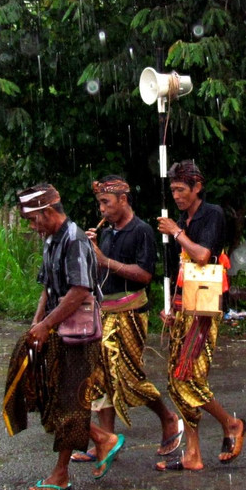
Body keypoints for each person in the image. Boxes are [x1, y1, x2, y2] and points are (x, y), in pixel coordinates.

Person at [13, 183, 124, 490]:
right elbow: (47, 287)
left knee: (70, 400)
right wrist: (37, 324)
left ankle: (61, 473)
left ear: (49, 212)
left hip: (78, 335)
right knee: (49, 397)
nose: (33, 227)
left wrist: (46, 324)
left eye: (34, 220)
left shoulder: (74, 239)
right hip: (55, 329)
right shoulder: (51, 239)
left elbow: (80, 290)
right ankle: (103, 439)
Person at [71, 175, 181, 462]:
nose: (102, 210)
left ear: (123, 200)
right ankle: (107, 441)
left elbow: (144, 275)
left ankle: (167, 417)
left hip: (130, 312)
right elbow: (100, 275)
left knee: (130, 377)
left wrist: (105, 260)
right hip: (104, 311)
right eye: (100, 204)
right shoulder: (107, 232)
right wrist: (90, 252)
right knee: (99, 376)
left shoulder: (141, 230)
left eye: (106, 203)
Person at [154, 160, 246, 472]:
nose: (177, 195)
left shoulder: (212, 214)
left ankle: (231, 423)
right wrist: (171, 303)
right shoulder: (183, 217)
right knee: (174, 379)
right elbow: (177, 267)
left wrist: (176, 231)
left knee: (188, 377)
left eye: (181, 189)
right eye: (173, 190)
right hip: (184, 301)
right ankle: (192, 453)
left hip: (204, 306)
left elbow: (203, 255)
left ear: (197, 187)